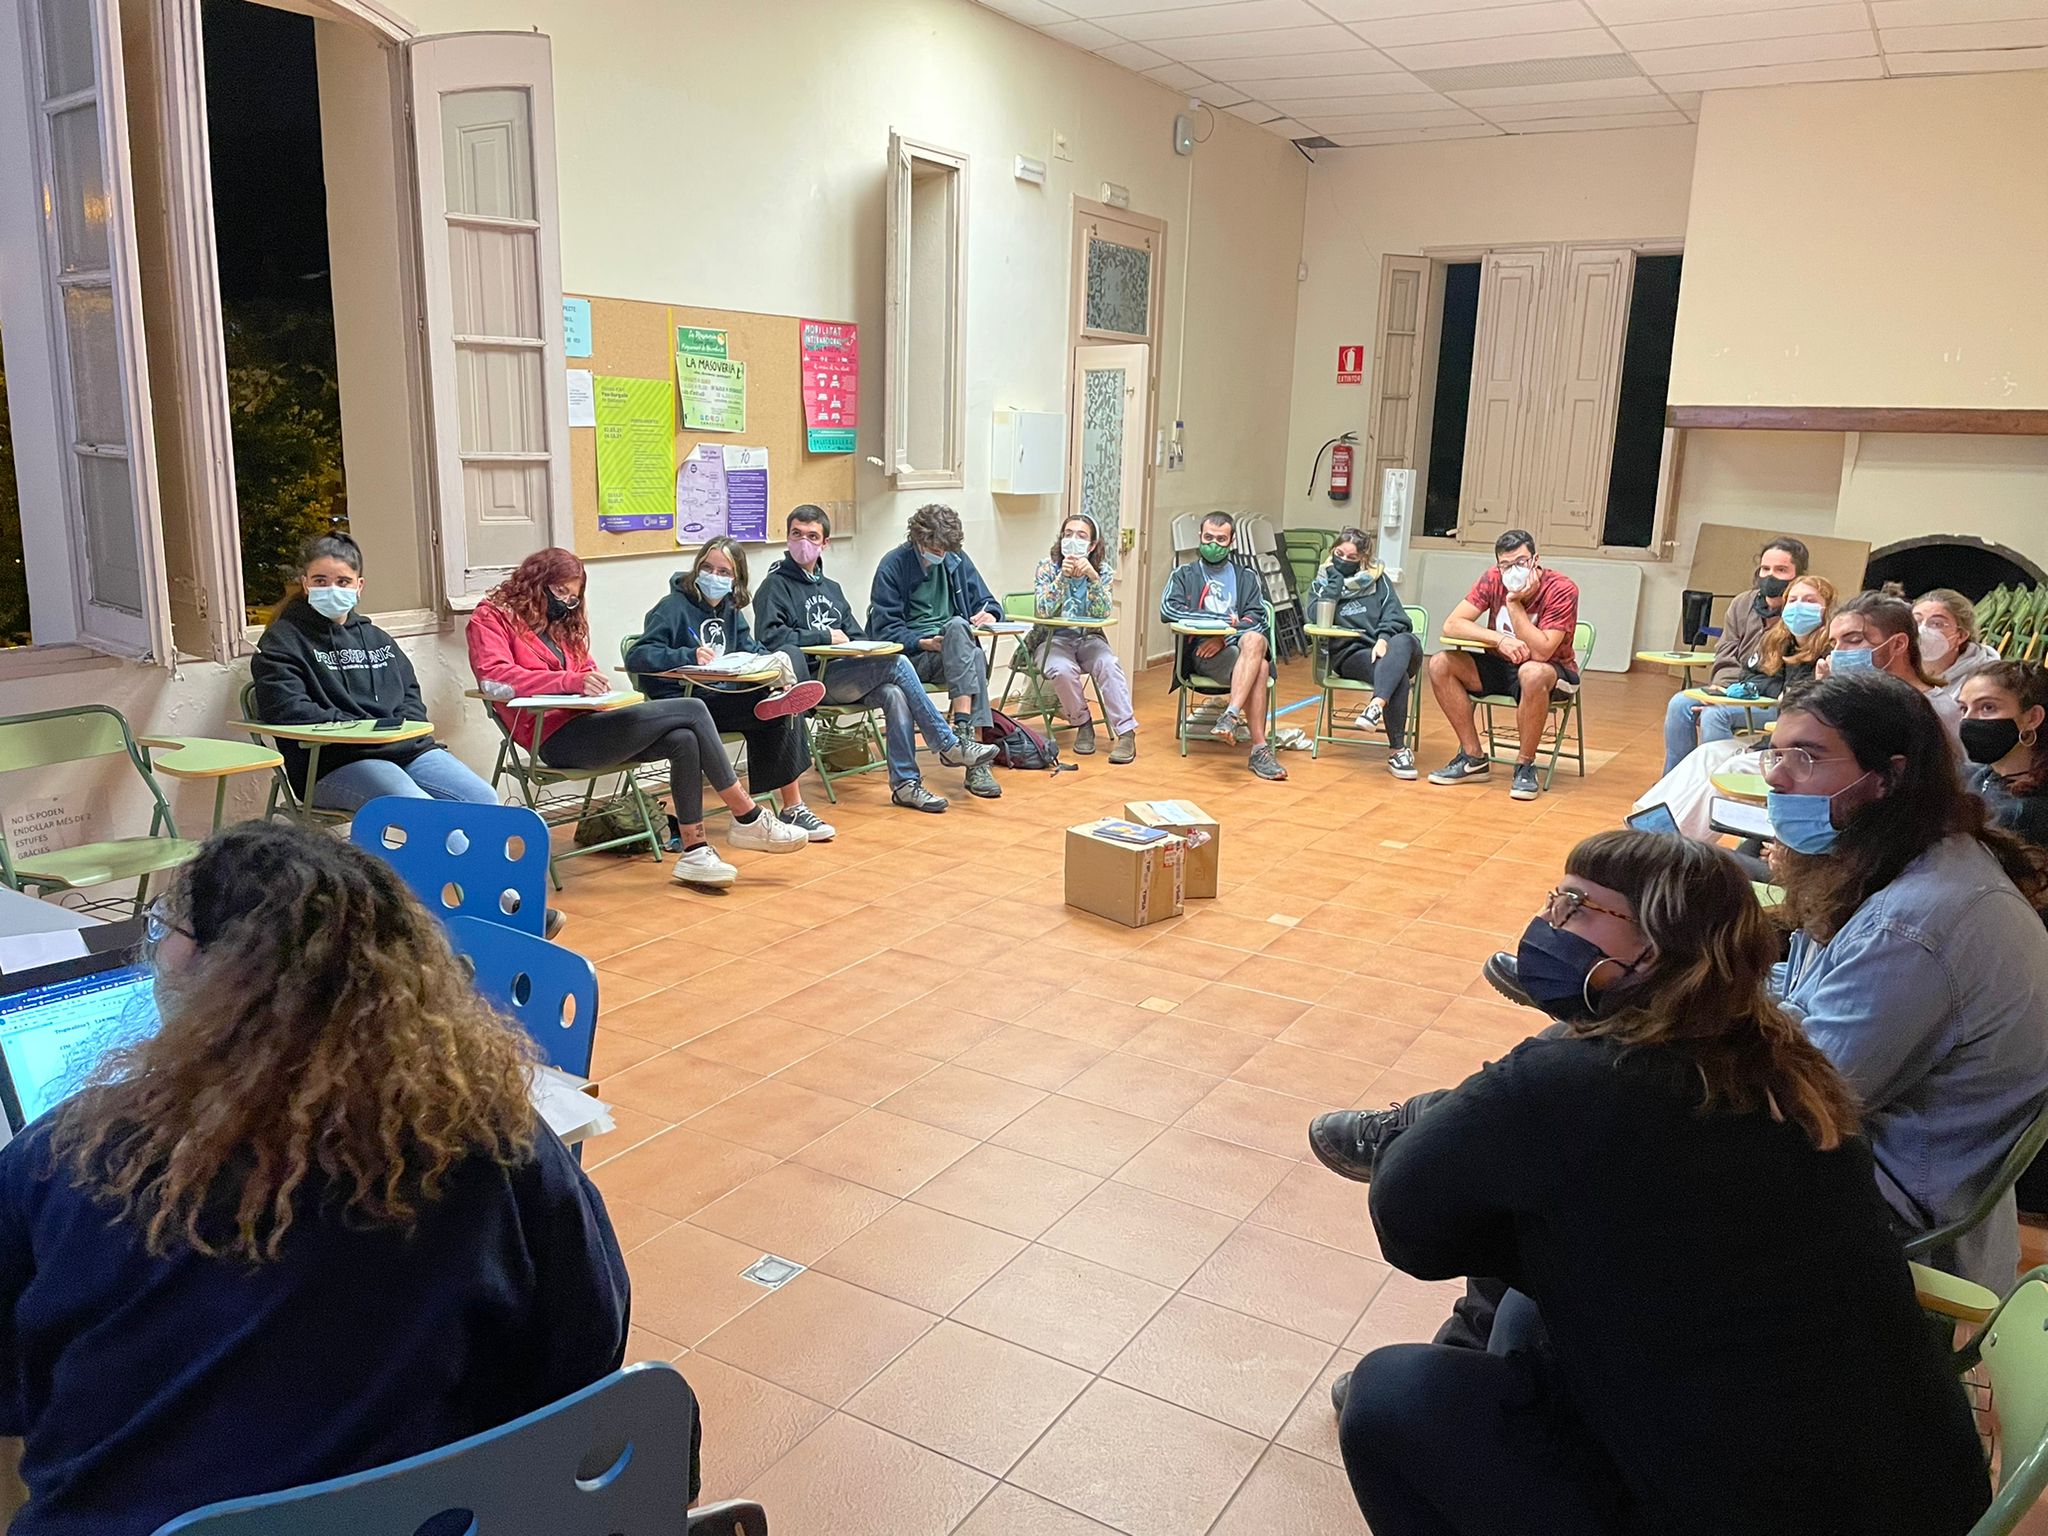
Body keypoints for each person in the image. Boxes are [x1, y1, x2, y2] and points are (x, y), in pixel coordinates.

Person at [1314, 830, 1990, 1536]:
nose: (1549, 920)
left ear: (1655, 952)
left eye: (1576, 907)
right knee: (1526, 1307)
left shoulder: (1568, 1082)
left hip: (1740, 1505)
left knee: (1392, 1392)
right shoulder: (1793, 1073)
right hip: (1909, 1487)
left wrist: (1494, 1105)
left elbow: (1408, 1227)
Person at [0, 821, 635, 1536]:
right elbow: (587, 1351)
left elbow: (14, 1401)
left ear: (212, 976)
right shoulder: (500, 1143)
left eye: (165, 928)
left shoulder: (62, 1159)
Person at [1764, 670, 2048, 1286]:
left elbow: (1803, 1094)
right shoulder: (1889, 861)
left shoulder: (1915, 924)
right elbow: (1804, 999)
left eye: (1806, 757)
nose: (1777, 778)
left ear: (1888, 778)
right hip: (1873, 1157)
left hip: (1881, 1205)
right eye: (1776, 753)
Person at [468, 548, 809, 886]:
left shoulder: (560, 622)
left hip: (589, 722)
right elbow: (495, 679)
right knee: (692, 708)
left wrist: (594, 684)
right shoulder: (492, 617)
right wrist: (570, 682)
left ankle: (695, 851)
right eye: (560, 591)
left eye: (573, 597)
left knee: (683, 738)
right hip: (553, 736)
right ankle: (747, 815)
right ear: (535, 581)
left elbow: (584, 668)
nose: (566, 603)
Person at [752, 504, 997, 811]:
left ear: (825, 543)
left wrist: (861, 648)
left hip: (847, 673)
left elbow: (857, 635)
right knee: (898, 664)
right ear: (786, 537)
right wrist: (824, 637)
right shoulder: (773, 587)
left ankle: (906, 785)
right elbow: (769, 639)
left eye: (812, 536)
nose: (804, 542)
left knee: (894, 692)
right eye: (796, 534)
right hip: (814, 679)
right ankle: (949, 744)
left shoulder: (831, 589)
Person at [251, 532, 497, 813]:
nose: (332, 589)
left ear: (359, 585)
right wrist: (364, 730)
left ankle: (465, 845)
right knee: (420, 808)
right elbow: (287, 709)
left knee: (483, 799)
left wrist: (393, 732)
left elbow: (410, 698)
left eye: (343, 581)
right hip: (333, 763)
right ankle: (451, 845)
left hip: (406, 751)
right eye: (320, 581)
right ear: (305, 584)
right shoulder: (282, 641)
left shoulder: (377, 639)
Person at [627, 537, 837, 841]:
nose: (714, 576)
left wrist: (772, 666)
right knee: (774, 708)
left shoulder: (730, 610)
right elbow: (638, 655)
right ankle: (782, 803)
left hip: (721, 696)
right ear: (697, 568)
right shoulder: (672, 607)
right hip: (687, 702)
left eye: (724, 572)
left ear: (736, 579)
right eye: (707, 568)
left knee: (779, 700)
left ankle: (793, 807)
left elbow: (750, 648)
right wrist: (688, 655)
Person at [1426, 529, 1581, 801]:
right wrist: (1499, 640)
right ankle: (1473, 757)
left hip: (1551, 671)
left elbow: (1542, 651)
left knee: (1531, 672)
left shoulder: (1562, 588)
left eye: (1520, 562)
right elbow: (1452, 624)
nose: (1513, 570)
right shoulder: (1492, 578)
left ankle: (1525, 765)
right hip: (1502, 664)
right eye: (1506, 565)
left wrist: (1514, 602)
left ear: (1535, 560)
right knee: (1440, 663)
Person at [867, 504, 1006, 799]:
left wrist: (991, 614)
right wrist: (923, 642)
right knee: (973, 656)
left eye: (945, 549)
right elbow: (884, 630)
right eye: (933, 549)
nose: (939, 554)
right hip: (912, 658)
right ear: (918, 540)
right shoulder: (892, 566)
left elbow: (989, 602)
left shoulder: (955, 559)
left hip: (953, 654)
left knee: (960, 631)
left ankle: (964, 739)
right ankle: (973, 758)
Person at [1658, 537, 1809, 771]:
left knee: (1713, 715)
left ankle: (1716, 782)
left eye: (1781, 570)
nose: (1770, 576)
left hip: (1774, 701)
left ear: (1798, 575)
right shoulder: (1743, 604)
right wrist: (1722, 692)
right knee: (1679, 704)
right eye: (1765, 569)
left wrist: (1731, 701)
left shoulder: (1801, 614)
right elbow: (1726, 652)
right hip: (1735, 690)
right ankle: (1674, 780)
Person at [1158, 512, 1284, 781]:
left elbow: (1257, 618)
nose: (1213, 544)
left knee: (1255, 642)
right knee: (1261, 668)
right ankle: (1259, 750)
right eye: (1208, 538)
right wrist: (1219, 623)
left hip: (1236, 648)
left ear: (1231, 542)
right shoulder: (1184, 574)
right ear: (1199, 537)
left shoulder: (1246, 576)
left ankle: (1230, 715)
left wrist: (1225, 637)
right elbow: (1169, 610)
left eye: (1221, 539)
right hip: (1203, 655)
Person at [1306, 524, 1420, 779]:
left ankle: (1375, 705)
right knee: (1398, 678)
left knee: (1405, 640)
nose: (1343, 560)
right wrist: (1334, 586)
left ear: (1363, 559)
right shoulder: (1322, 581)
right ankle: (1397, 751)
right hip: (1351, 654)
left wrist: (1383, 639)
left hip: (1388, 648)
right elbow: (1315, 617)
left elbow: (1396, 616)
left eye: (1352, 557)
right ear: (1332, 551)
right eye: (1339, 554)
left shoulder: (1379, 580)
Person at [1031, 512, 1137, 764]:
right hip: (1053, 639)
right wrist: (1062, 578)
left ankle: (1126, 732)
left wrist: (1093, 579)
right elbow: (1043, 610)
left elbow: (1102, 612)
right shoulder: (1047, 567)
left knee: (1109, 664)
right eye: (1068, 534)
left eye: (1080, 536)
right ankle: (1082, 723)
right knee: (1061, 669)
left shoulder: (1103, 571)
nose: (1073, 540)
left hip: (1089, 638)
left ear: (1091, 545)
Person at [1815, 589, 1962, 744]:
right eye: (1833, 644)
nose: (1838, 652)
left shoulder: (1936, 710)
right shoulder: (1854, 699)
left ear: (1898, 644)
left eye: (1854, 640)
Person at [1959, 661, 2048, 847]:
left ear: (2032, 718)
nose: (1967, 720)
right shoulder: (1978, 775)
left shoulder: (2028, 813)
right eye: (1964, 708)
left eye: (1987, 707)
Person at [1915, 587, 2000, 711]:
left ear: (1961, 635)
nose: (1922, 630)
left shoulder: (1984, 680)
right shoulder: (1896, 665)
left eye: (1936, 624)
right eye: (1916, 621)